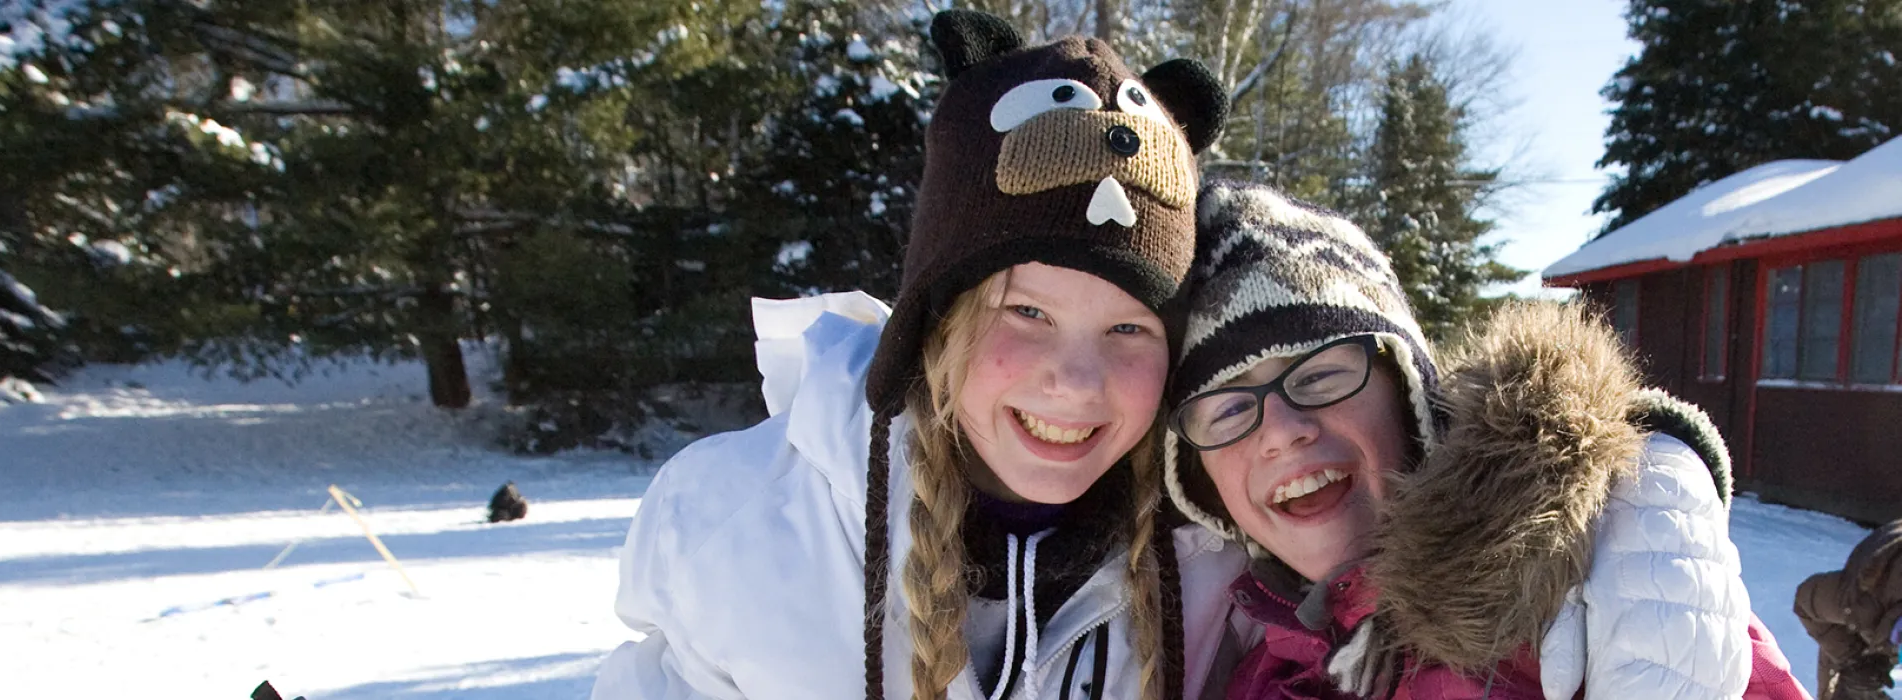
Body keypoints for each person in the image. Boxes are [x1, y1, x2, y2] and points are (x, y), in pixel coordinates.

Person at [588, 10, 1242, 700]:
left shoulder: (1212, 560)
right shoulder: (739, 530)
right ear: (938, 322)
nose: (1077, 382)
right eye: (1027, 312)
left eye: (1129, 329)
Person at [1159, 180, 1812, 699]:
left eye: (1323, 375)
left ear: (1409, 391)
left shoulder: (1586, 593)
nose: (1282, 430)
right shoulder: (1256, 674)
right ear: (1201, 484)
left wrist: (1656, 468)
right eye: (1225, 412)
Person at [1796, 519, 1902, 700]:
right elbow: (1804, 602)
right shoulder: (1861, 601)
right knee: (1854, 679)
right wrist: (1853, 660)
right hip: (1863, 602)